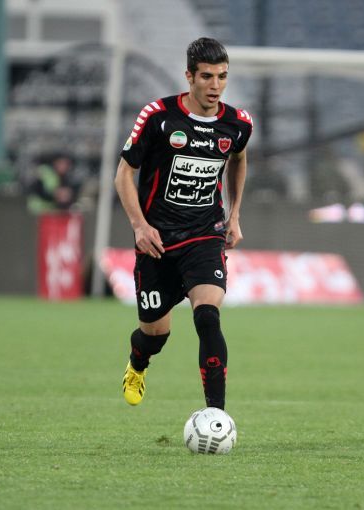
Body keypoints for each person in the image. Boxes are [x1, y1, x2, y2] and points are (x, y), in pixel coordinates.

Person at [115, 38, 253, 410]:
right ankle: (138, 363)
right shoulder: (158, 117)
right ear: (189, 76)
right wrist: (139, 226)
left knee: (208, 317)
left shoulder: (238, 124)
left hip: (204, 236)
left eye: (222, 76)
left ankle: (216, 416)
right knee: (155, 335)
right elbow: (124, 174)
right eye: (206, 76)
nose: (215, 85)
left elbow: (239, 159)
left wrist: (234, 214)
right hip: (157, 242)